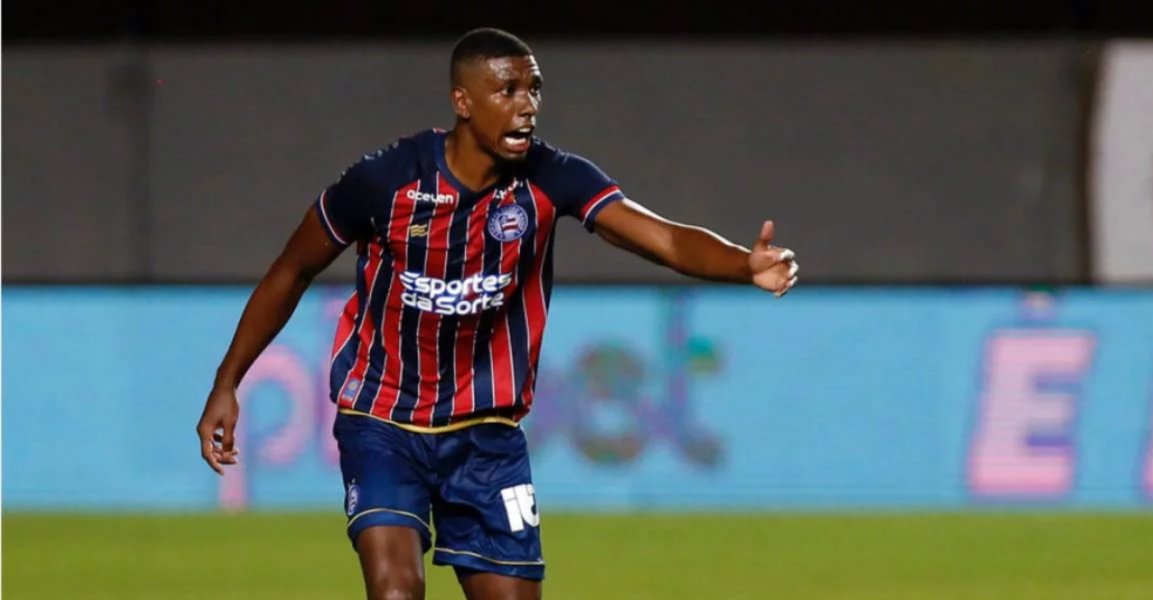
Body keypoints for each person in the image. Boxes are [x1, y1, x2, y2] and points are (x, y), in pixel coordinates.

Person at [196, 27, 798, 600]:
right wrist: (228, 382)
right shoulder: (386, 182)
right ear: (463, 101)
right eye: (507, 90)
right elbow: (291, 270)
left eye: (533, 89)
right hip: (383, 423)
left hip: (488, 436)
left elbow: (661, 238)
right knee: (397, 589)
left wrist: (743, 264)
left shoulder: (553, 178)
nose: (526, 106)